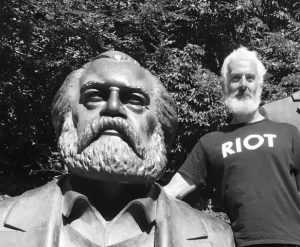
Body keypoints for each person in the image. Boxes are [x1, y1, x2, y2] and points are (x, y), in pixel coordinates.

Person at [0, 51, 234, 247]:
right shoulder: (4, 221)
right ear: (67, 117)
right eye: (94, 96)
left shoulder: (216, 238)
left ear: (160, 127)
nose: (113, 107)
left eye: (133, 100)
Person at [164, 47, 300, 247]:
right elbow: (171, 192)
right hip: (241, 243)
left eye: (250, 78)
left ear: (260, 86)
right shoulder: (211, 143)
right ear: (226, 86)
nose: (243, 85)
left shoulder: (288, 133)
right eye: (236, 78)